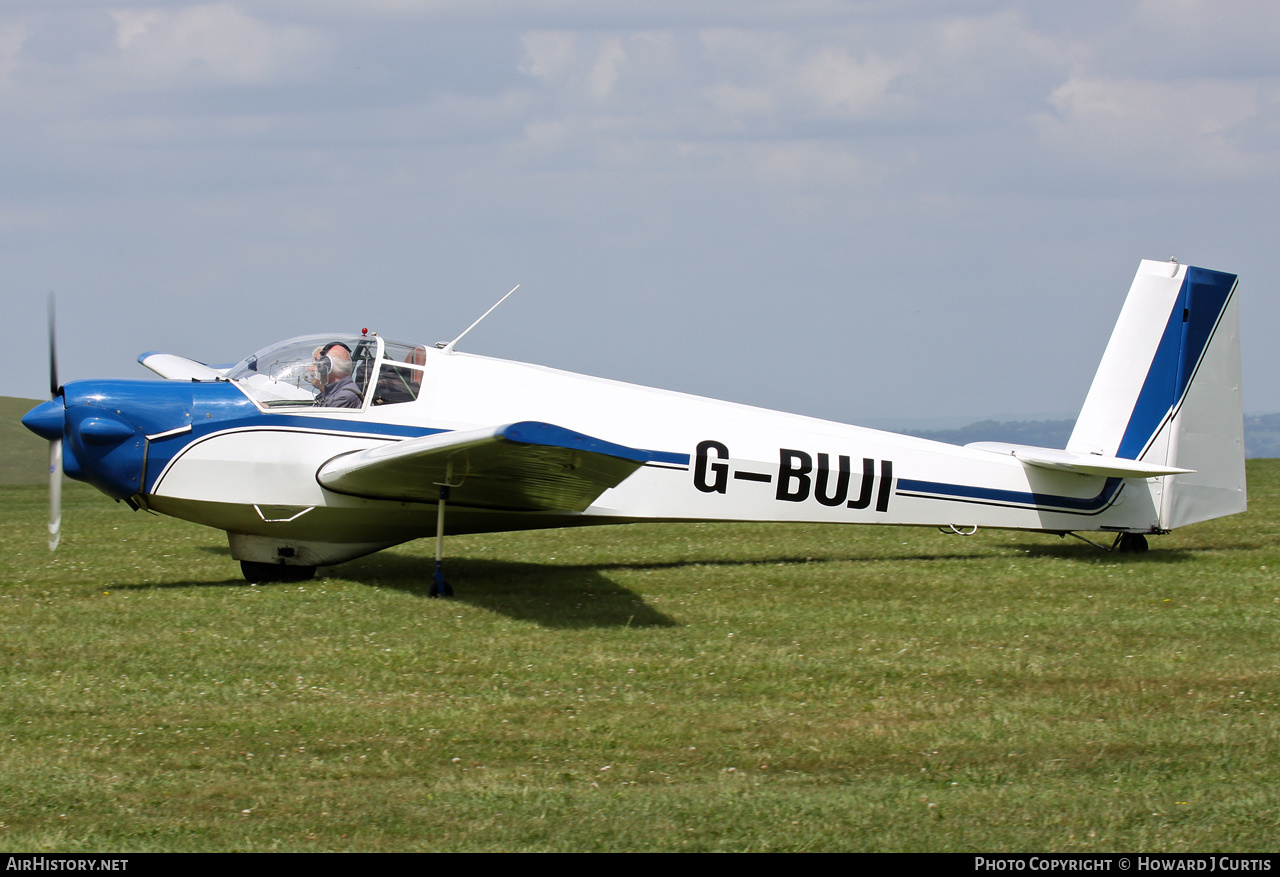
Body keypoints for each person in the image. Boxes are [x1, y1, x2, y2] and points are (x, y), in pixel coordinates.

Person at [311, 342, 363, 409]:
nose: (310, 368)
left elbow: (321, 418)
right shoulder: (333, 393)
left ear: (327, 366)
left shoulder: (343, 397)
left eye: (316, 364)